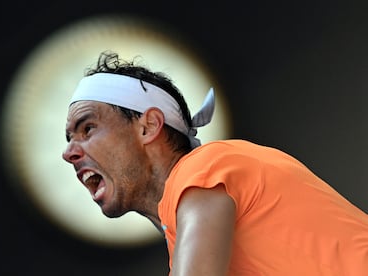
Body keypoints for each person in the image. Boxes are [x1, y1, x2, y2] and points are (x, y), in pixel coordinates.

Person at [62, 50, 368, 275]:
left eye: (87, 128)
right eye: (68, 139)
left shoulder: (204, 166)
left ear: (148, 126)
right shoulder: (186, 237)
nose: (69, 153)